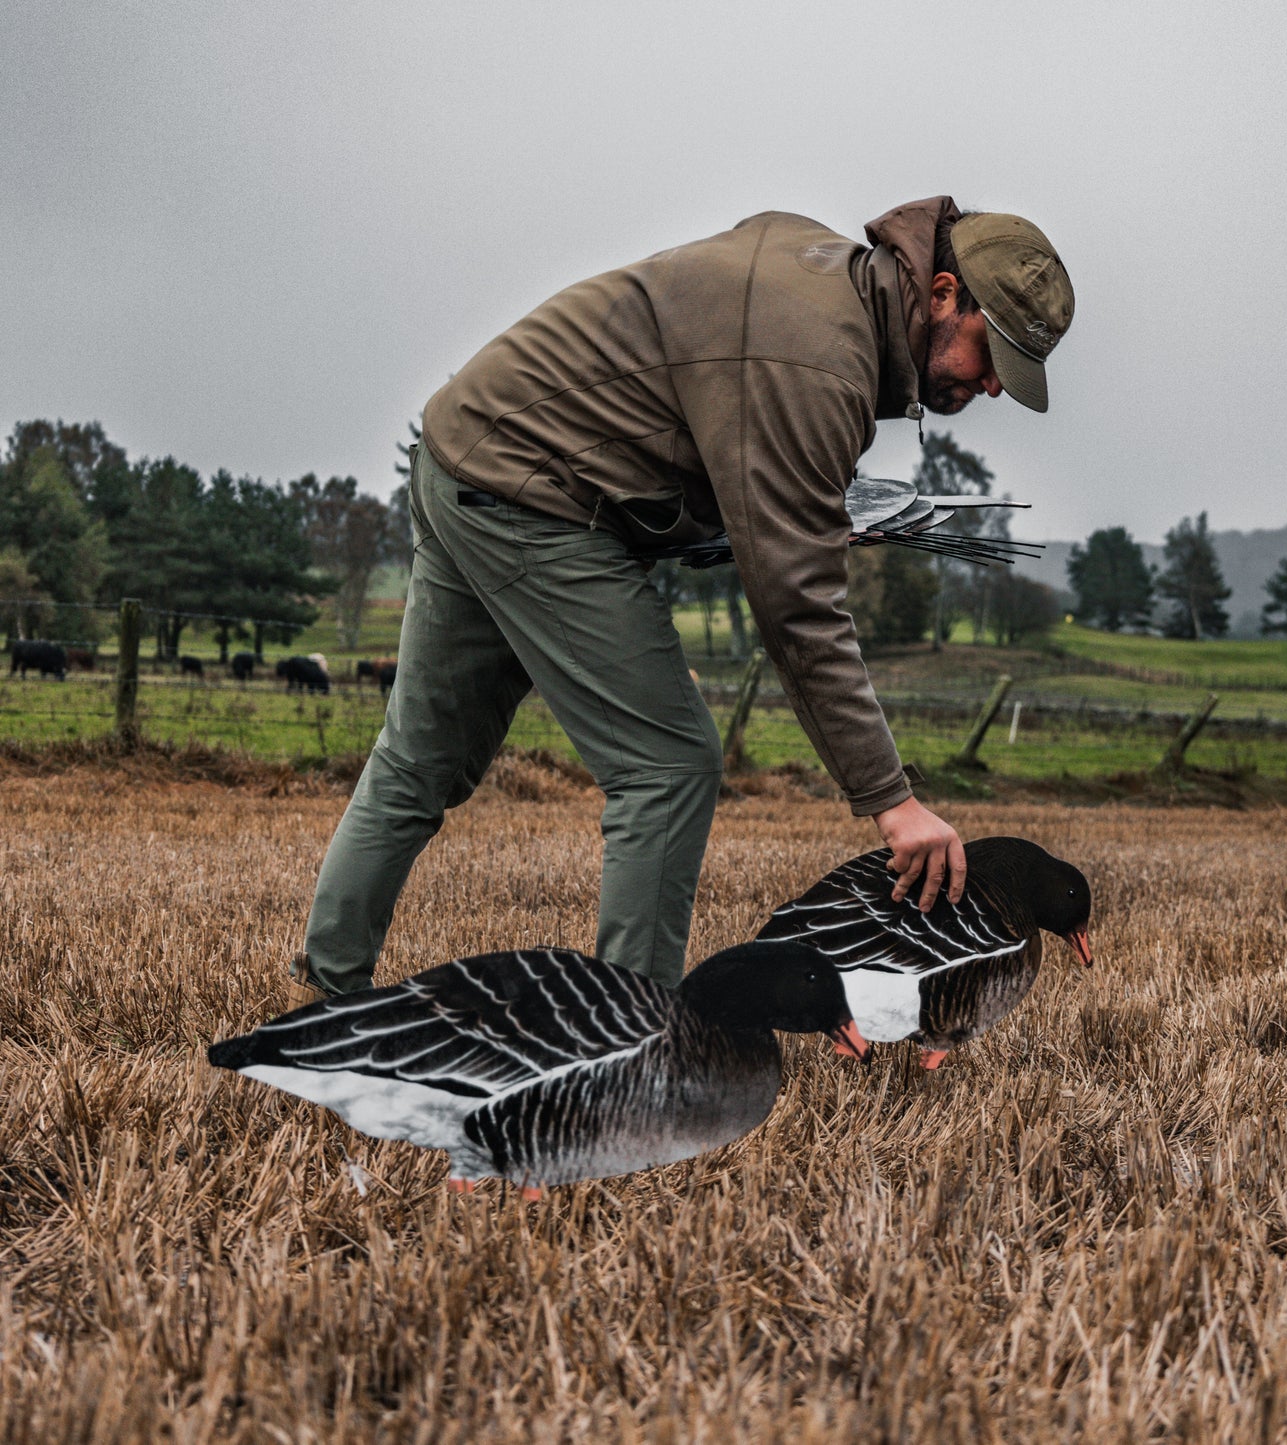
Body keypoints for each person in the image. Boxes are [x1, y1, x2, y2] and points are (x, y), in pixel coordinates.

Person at [288, 197, 1073, 1006]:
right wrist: (891, 801)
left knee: (420, 759)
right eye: (991, 357)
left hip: (464, 450)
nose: (991, 388)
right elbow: (797, 610)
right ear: (942, 292)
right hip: (537, 494)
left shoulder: (817, 271)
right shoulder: (818, 363)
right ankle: (632, 1052)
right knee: (667, 765)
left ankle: (326, 991)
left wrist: (793, 510)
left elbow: (703, 412)